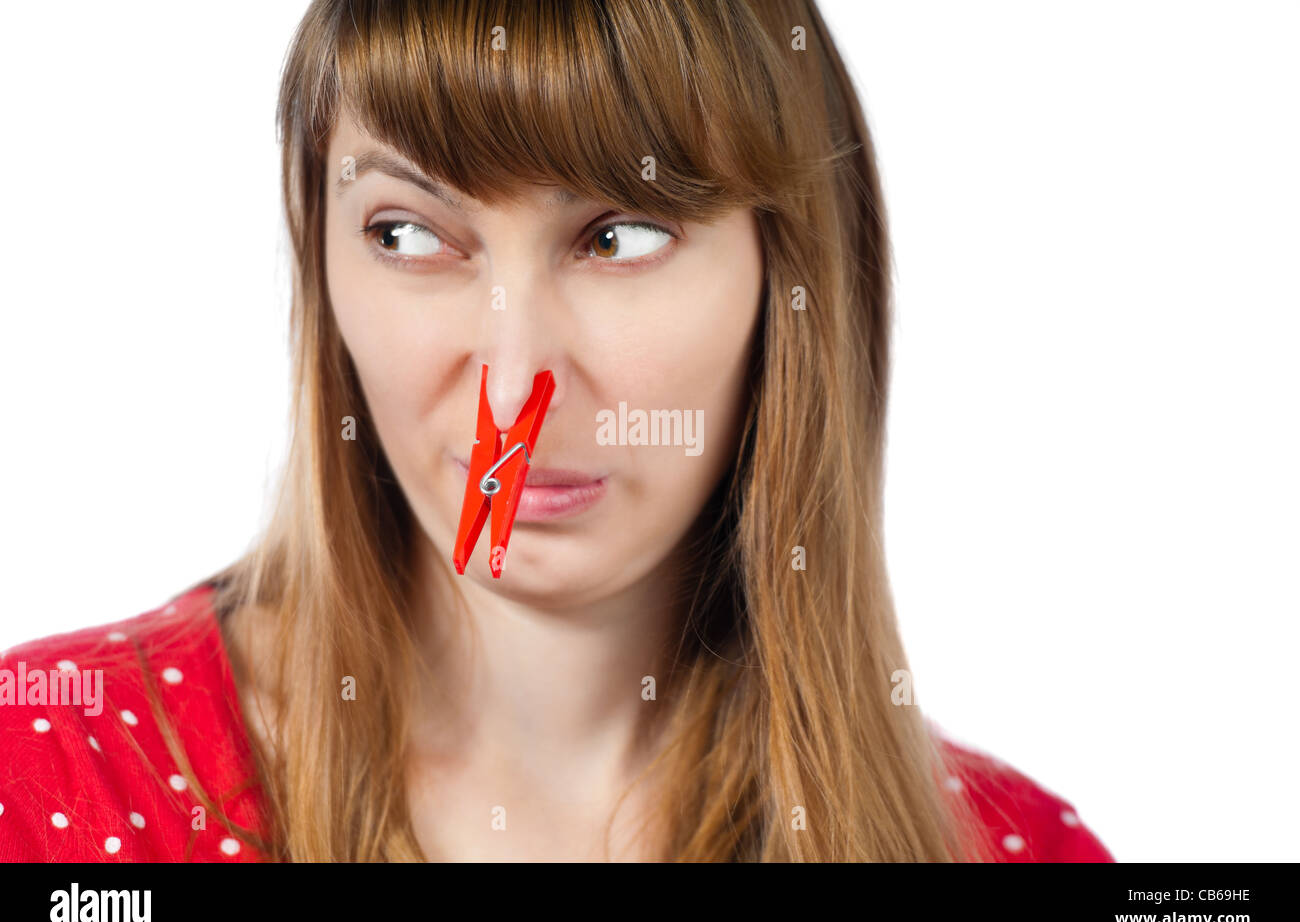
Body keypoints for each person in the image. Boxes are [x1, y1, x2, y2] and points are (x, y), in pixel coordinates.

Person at [0, 0, 1114, 863]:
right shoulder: (45, 775)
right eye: (409, 233)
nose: (514, 384)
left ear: (791, 279)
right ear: (318, 253)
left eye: (619, 238)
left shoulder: (1017, 851)